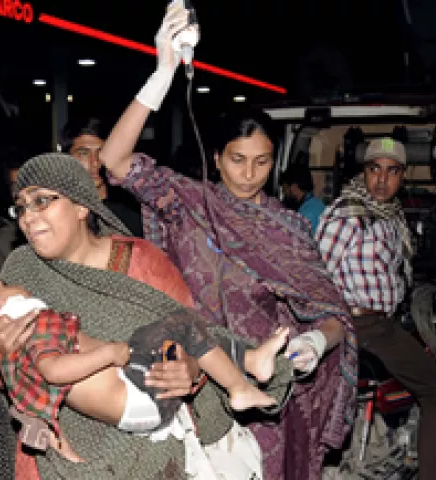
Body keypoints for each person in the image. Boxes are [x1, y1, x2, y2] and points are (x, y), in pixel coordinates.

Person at [96, 6, 357, 479]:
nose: (249, 174)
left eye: (262, 162)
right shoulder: (188, 204)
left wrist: (319, 340)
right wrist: (162, 75)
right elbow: (114, 161)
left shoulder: (288, 229)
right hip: (191, 376)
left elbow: (332, 311)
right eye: (238, 160)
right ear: (216, 158)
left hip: (265, 389)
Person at [0, 151, 294, 480]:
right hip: (63, 459)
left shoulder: (142, 260)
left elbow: (195, 333)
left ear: (82, 205)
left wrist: (192, 370)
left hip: (155, 448)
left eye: (42, 201)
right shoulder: (19, 271)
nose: (28, 217)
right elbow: (4, 373)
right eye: (22, 206)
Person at [0, 273, 289, 459]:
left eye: (43, 201)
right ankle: (241, 382)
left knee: (190, 331)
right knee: (185, 326)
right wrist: (110, 353)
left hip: (145, 391)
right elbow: (49, 372)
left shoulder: (136, 257)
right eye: (4, 287)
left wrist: (190, 369)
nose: (18, 284)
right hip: (139, 401)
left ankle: (250, 362)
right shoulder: (26, 334)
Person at [315, 137, 436, 480]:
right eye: (374, 169)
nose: (381, 180)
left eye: (391, 172)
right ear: (363, 172)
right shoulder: (348, 215)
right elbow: (317, 275)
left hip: (384, 322)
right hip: (360, 325)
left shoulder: (391, 217)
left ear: (402, 176)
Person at [62, 116, 144, 237]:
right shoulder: (60, 211)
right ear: (67, 159)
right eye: (84, 153)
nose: (95, 162)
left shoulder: (133, 211)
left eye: (101, 153)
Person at [279, 163, 325, 233]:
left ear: (294, 188)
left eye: (285, 190)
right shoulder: (317, 204)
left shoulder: (305, 215)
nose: (285, 194)